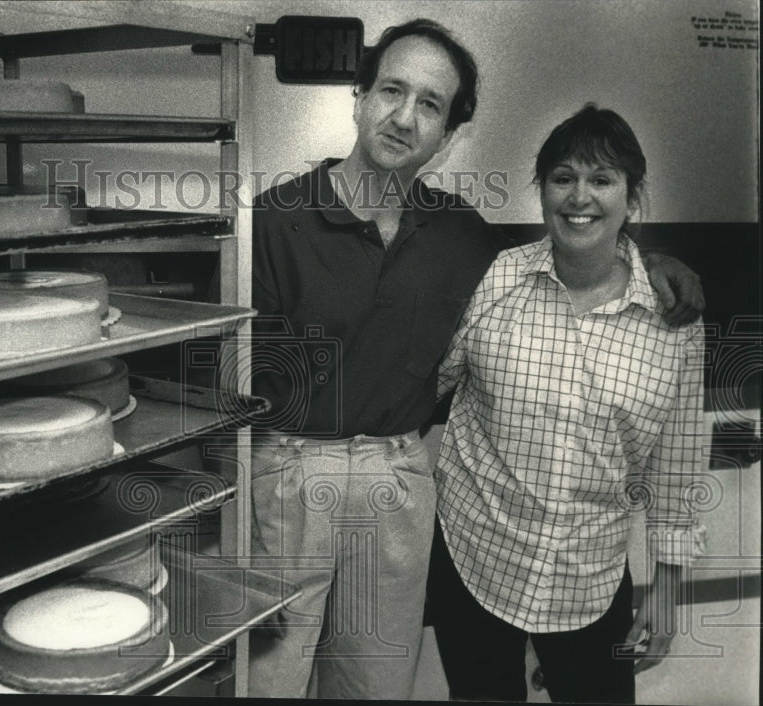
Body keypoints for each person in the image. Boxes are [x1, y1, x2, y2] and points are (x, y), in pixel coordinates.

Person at [248, 19, 704, 700]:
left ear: (449, 133)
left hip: (397, 478)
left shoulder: (461, 238)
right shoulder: (270, 221)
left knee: (376, 689)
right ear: (360, 96)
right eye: (391, 90)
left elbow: (572, 248)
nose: (405, 117)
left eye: (430, 104)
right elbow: (224, 390)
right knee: (265, 682)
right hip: (286, 477)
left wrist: (653, 264)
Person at [426, 104, 708, 704]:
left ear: (632, 199)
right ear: (543, 191)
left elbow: (677, 461)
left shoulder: (675, 319)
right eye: (563, 177)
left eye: (602, 180)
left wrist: (667, 585)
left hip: (591, 577)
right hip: (475, 557)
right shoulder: (498, 279)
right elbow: (426, 380)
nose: (580, 196)